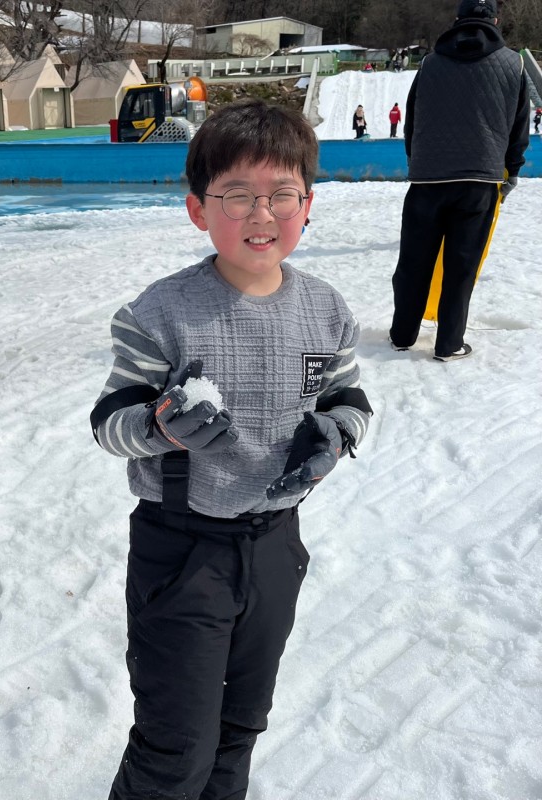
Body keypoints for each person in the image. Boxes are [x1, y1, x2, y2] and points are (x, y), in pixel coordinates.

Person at [91, 99, 372, 800]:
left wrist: (336, 439)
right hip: (183, 551)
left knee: (242, 725)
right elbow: (107, 423)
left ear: (307, 205)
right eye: (238, 196)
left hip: (276, 544)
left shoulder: (328, 310)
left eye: (281, 195)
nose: (261, 214)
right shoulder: (159, 314)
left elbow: (352, 402)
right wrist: (160, 426)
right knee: (175, 745)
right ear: (197, 210)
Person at [389, 0, 530, 361]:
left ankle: (403, 334)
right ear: (496, 20)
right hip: (480, 180)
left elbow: (412, 120)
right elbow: (519, 126)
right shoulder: (513, 63)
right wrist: (512, 170)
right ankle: (449, 343)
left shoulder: (430, 62)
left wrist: (415, 162)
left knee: (414, 261)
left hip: (427, 179)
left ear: (457, 20)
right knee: (461, 264)